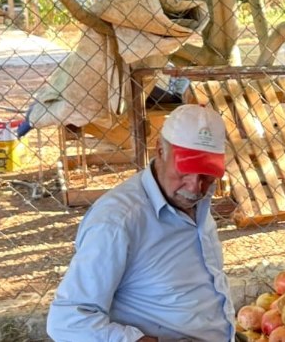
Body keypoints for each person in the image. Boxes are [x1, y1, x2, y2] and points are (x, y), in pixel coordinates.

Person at [47, 104, 236, 342]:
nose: (195, 187)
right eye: (185, 171)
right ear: (159, 150)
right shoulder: (117, 221)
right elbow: (67, 321)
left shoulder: (197, 201)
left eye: (206, 174)